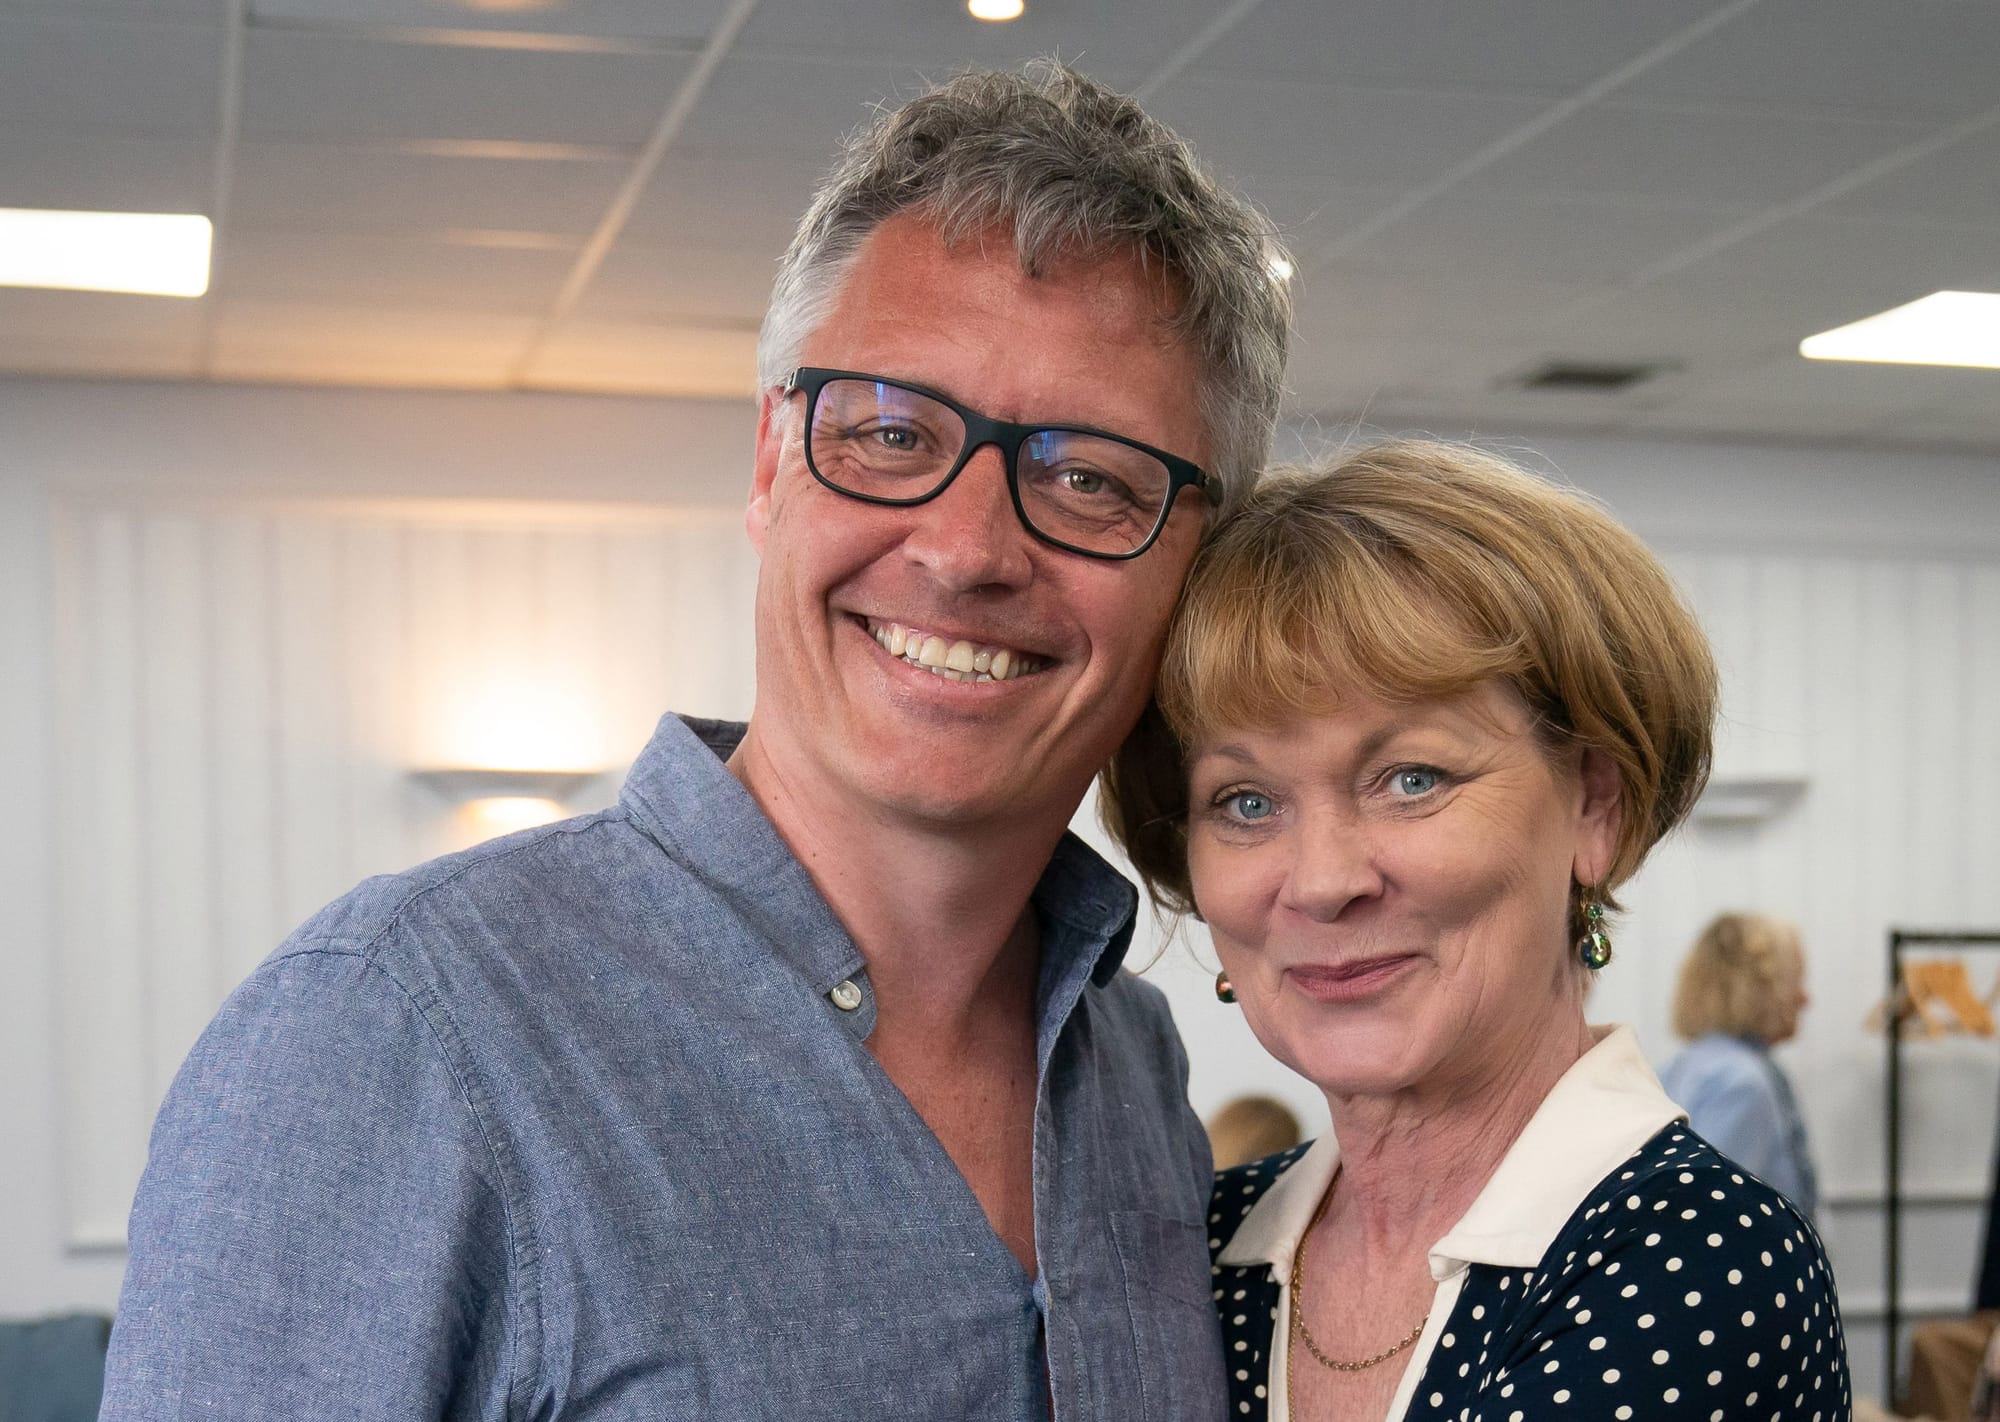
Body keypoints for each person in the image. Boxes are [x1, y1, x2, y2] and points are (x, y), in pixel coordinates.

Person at [99, 62, 1291, 1421]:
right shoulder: (396, 1029)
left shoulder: (1130, 1071)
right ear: (772, 465)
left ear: (1197, 561)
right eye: (892, 430)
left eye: (1088, 476)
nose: (965, 549)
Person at [1103, 441, 1852, 1422]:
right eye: (1244, 802)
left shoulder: (1699, 1259)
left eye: (1410, 779)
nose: (1324, 882)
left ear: (1594, 805)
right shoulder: (1204, 1240)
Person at [1661, 912, 1820, 1218]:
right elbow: (1709, 1212)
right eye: (1796, 981)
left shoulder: (1678, 1068)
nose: (1805, 998)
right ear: (1760, 988)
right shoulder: (1739, 1083)